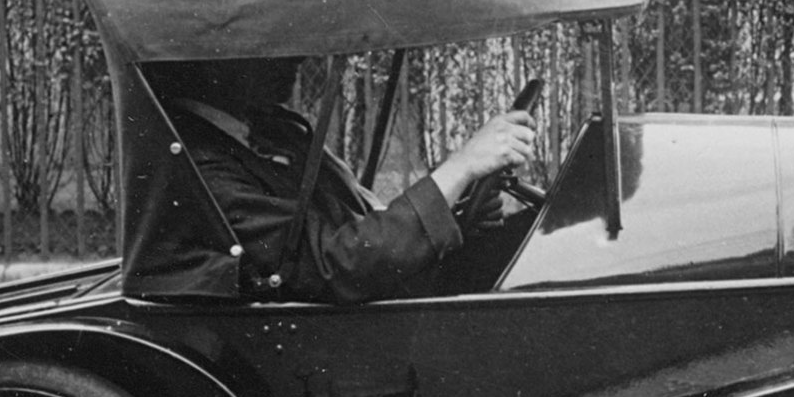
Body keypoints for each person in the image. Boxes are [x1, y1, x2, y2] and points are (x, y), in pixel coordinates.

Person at [153, 58, 537, 304]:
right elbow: (336, 262)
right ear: (211, 61)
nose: (296, 57)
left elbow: (361, 216)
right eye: (267, 45)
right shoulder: (200, 164)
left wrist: (454, 209)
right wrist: (462, 166)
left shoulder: (271, 132)